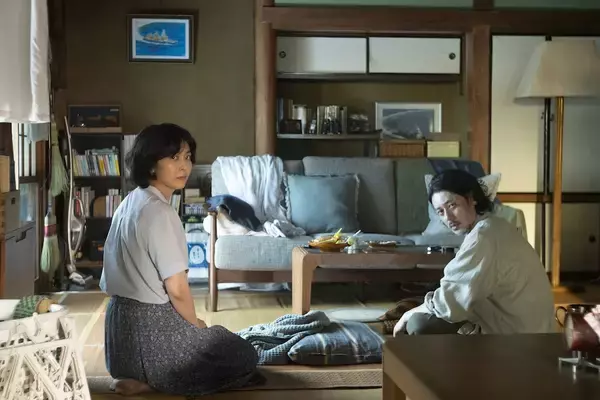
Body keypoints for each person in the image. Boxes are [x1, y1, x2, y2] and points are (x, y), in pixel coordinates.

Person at [100, 123, 259, 396]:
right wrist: (194, 325)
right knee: (244, 353)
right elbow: (176, 289)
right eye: (174, 157)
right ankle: (156, 380)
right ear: (151, 164)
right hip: (153, 334)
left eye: (187, 157)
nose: (184, 165)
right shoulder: (160, 212)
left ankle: (137, 376)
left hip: (118, 341)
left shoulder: (128, 202)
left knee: (215, 337)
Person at [394, 169, 555, 336]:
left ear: (471, 199)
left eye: (452, 205)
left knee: (419, 324)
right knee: (430, 304)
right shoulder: (496, 225)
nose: (448, 217)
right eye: (440, 211)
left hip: (521, 338)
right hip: (534, 330)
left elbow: (450, 302)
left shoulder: (483, 236)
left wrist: (408, 315)